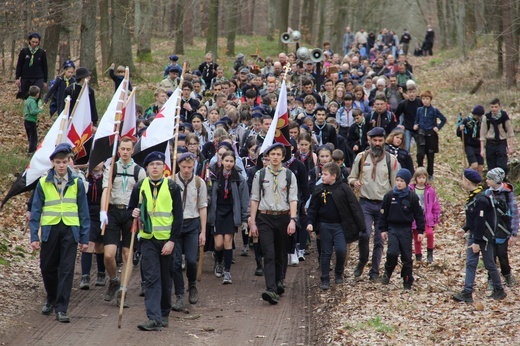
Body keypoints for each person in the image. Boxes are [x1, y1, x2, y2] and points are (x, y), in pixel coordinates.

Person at [30, 143, 90, 323]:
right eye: (58, 162)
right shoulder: (43, 182)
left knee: (66, 269)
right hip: (50, 229)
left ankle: (62, 307)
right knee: (47, 267)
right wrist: (34, 235)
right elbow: (36, 210)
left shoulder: (77, 183)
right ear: (53, 163)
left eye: (64, 161)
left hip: (70, 229)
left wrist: (84, 237)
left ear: (69, 162)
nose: (62, 165)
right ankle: (52, 298)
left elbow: (83, 211)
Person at [128, 151, 183, 331]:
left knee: (166, 278)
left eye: (158, 164)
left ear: (164, 167)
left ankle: (164, 312)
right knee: (151, 278)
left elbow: (178, 218)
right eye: (152, 165)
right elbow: (132, 209)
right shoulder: (139, 186)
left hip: (166, 239)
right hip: (147, 239)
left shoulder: (173, 187)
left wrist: (172, 241)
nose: (155, 167)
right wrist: (134, 213)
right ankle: (153, 317)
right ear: (147, 168)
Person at [348, 127, 400, 280]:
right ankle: (362, 260)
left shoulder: (391, 160)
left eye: (380, 140)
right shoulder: (361, 157)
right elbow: (351, 177)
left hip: (384, 205)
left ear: (384, 141)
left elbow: (396, 184)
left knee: (379, 239)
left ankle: (375, 271)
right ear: (369, 140)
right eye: (374, 140)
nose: (377, 143)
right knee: (364, 234)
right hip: (365, 202)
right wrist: (354, 182)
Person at [249, 143, 298, 305]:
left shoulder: (289, 175)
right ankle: (270, 289)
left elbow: (293, 198)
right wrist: (253, 221)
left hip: (283, 217)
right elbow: (255, 198)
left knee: (281, 253)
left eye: (278, 154)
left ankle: (279, 281)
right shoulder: (260, 175)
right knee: (269, 253)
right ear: (267, 157)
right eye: (272, 154)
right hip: (265, 218)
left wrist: (292, 220)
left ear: (283, 157)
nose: (275, 157)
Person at [100, 138, 146, 307]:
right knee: (109, 254)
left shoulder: (139, 171)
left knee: (127, 254)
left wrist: (139, 212)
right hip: (113, 211)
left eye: (128, 149)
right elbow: (106, 190)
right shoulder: (111, 169)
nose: (125, 152)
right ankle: (113, 279)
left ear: (132, 150)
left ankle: (123, 290)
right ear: (118, 150)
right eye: (122, 149)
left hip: (130, 213)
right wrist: (103, 212)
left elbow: (144, 194)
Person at [307, 162, 365, 290]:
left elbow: (354, 207)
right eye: (322, 174)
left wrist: (362, 226)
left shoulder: (344, 189)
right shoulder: (319, 189)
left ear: (334, 176)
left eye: (325, 174)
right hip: (324, 226)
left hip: (340, 226)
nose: (322, 176)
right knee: (325, 253)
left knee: (341, 250)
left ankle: (339, 272)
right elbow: (313, 209)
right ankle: (325, 278)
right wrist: (310, 222)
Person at [452, 169, 507, 303]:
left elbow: (481, 222)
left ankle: (499, 289)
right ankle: (467, 292)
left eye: (463, 179)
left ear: (467, 181)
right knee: (471, 263)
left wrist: (477, 242)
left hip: (483, 237)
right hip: (474, 235)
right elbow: (472, 220)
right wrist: (464, 228)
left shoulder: (481, 199)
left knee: (489, 263)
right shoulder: (473, 197)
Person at [171, 153, 207, 311]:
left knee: (192, 260)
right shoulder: (170, 181)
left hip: (192, 223)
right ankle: (179, 294)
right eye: (184, 167)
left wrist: (203, 231)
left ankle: (192, 285)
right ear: (178, 165)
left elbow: (203, 207)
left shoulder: (199, 183)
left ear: (194, 166)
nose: (186, 170)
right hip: (175, 225)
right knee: (175, 262)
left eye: (190, 167)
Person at [208, 150, 249, 284]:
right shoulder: (214, 176)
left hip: (231, 212)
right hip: (217, 211)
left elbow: (244, 199)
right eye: (226, 161)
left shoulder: (239, 178)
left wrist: (244, 218)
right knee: (218, 244)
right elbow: (208, 193)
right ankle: (218, 261)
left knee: (227, 241)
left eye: (231, 161)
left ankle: (227, 271)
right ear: (221, 161)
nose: (229, 164)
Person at [380, 168, 425, 290]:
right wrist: (383, 229)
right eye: (397, 180)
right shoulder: (389, 196)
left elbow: (419, 215)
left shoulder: (412, 197)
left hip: (406, 229)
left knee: (406, 257)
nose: (399, 183)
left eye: (402, 181)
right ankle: (388, 271)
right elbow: (383, 214)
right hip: (392, 228)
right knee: (392, 253)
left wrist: (420, 231)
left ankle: (407, 280)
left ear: (407, 182)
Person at [484, 167, 518, 288]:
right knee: (490, 256)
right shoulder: (487, 193)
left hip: (503, 230)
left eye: (489, 178)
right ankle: (491, 279)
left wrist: (514, 233)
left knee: (502, 254)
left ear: (496, 179)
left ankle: (507, 274)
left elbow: (514, 213)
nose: (487, 180)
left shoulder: (507, 193)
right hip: (490, 230)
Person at [79, 161, 107, 289]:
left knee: (100, 246)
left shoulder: (107, 176)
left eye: (100, 160)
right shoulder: (84, 176)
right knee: (88, 243)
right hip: (88, 212)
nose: (97, 163)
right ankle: (85, 276)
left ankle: (101, 273)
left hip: (102, 212)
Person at [409, 167, 440, 263]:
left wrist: (436, 220)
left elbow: (435, 206)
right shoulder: (411, 190)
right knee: (417, 237)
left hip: (427, 217)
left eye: (423, 177)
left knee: (430, 233)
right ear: (415, 178)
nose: (421, 180)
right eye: (419, 178)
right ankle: (418, 255)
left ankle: (430, 252)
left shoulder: (430, 191)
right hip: (415, 218)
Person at [413, 90, 446, 180]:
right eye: (423, 99)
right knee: (420, 154)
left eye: (427, 99)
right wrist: (415, 125)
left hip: (431, 135)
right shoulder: (419, 110)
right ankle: (420, 172)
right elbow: (416, 119)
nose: (425, 101)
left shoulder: (434, 110)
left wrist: (438, 127)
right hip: (421, 134)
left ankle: (430, 174)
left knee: (430, 155)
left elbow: (443, 119)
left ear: (430, 99)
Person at [479, 98, 515, 175]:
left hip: (501, 142)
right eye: (492, 107)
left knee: (502, 165)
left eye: (495, 107)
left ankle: (502, 182)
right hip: (490, 143)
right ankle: (492, 184)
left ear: (499, 107)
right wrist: (482, 149)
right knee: (491, 166)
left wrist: (510, 147)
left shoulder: (504, 116)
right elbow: (482, 134)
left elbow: (510, 132)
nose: (494, 109)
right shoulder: (486, 117)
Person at [15, 32, 48, 100]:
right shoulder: (24, 51)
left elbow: (45, 67)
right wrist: (17, 78)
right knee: (26, 96)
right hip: (26, 77)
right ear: (29, 41)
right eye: (33, 42)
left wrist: (45, 80)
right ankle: (27, 110)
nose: (34, 44)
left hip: (38, 77)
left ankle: (35, 109)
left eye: (36, 42)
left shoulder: (42, 53)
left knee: (36, 95)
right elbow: (19, 65)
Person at [394, 83, 422, 152]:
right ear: (407, 93)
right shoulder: (403, 103)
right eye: (410, 92)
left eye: (413, 92)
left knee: (420, 149)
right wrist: (398, 125)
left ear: (416, 92)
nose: (411, 94)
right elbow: (395, 115)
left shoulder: (420, 102)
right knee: (406, 148)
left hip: (418, 128)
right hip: (407, 128)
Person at [457, 105, 485, 173]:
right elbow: (458, 134)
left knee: (480, 167)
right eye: (478, 116)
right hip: (469, 145)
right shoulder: (466, 121)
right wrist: (460, 129)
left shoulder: (482, 122)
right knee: (474, 165)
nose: (479, 117)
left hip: (478, 145)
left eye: (480, 116)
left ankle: (478, 183)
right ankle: (466, 175)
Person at [23, 85, 43, 154]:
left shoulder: (28, 100)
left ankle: (31, 147)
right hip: (31, 121)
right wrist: (39, 109)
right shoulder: (32, 101)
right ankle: (32, 150)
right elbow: (33, 111)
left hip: (26, 120)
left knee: (30, 135)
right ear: (37, 94)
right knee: (33, 137)